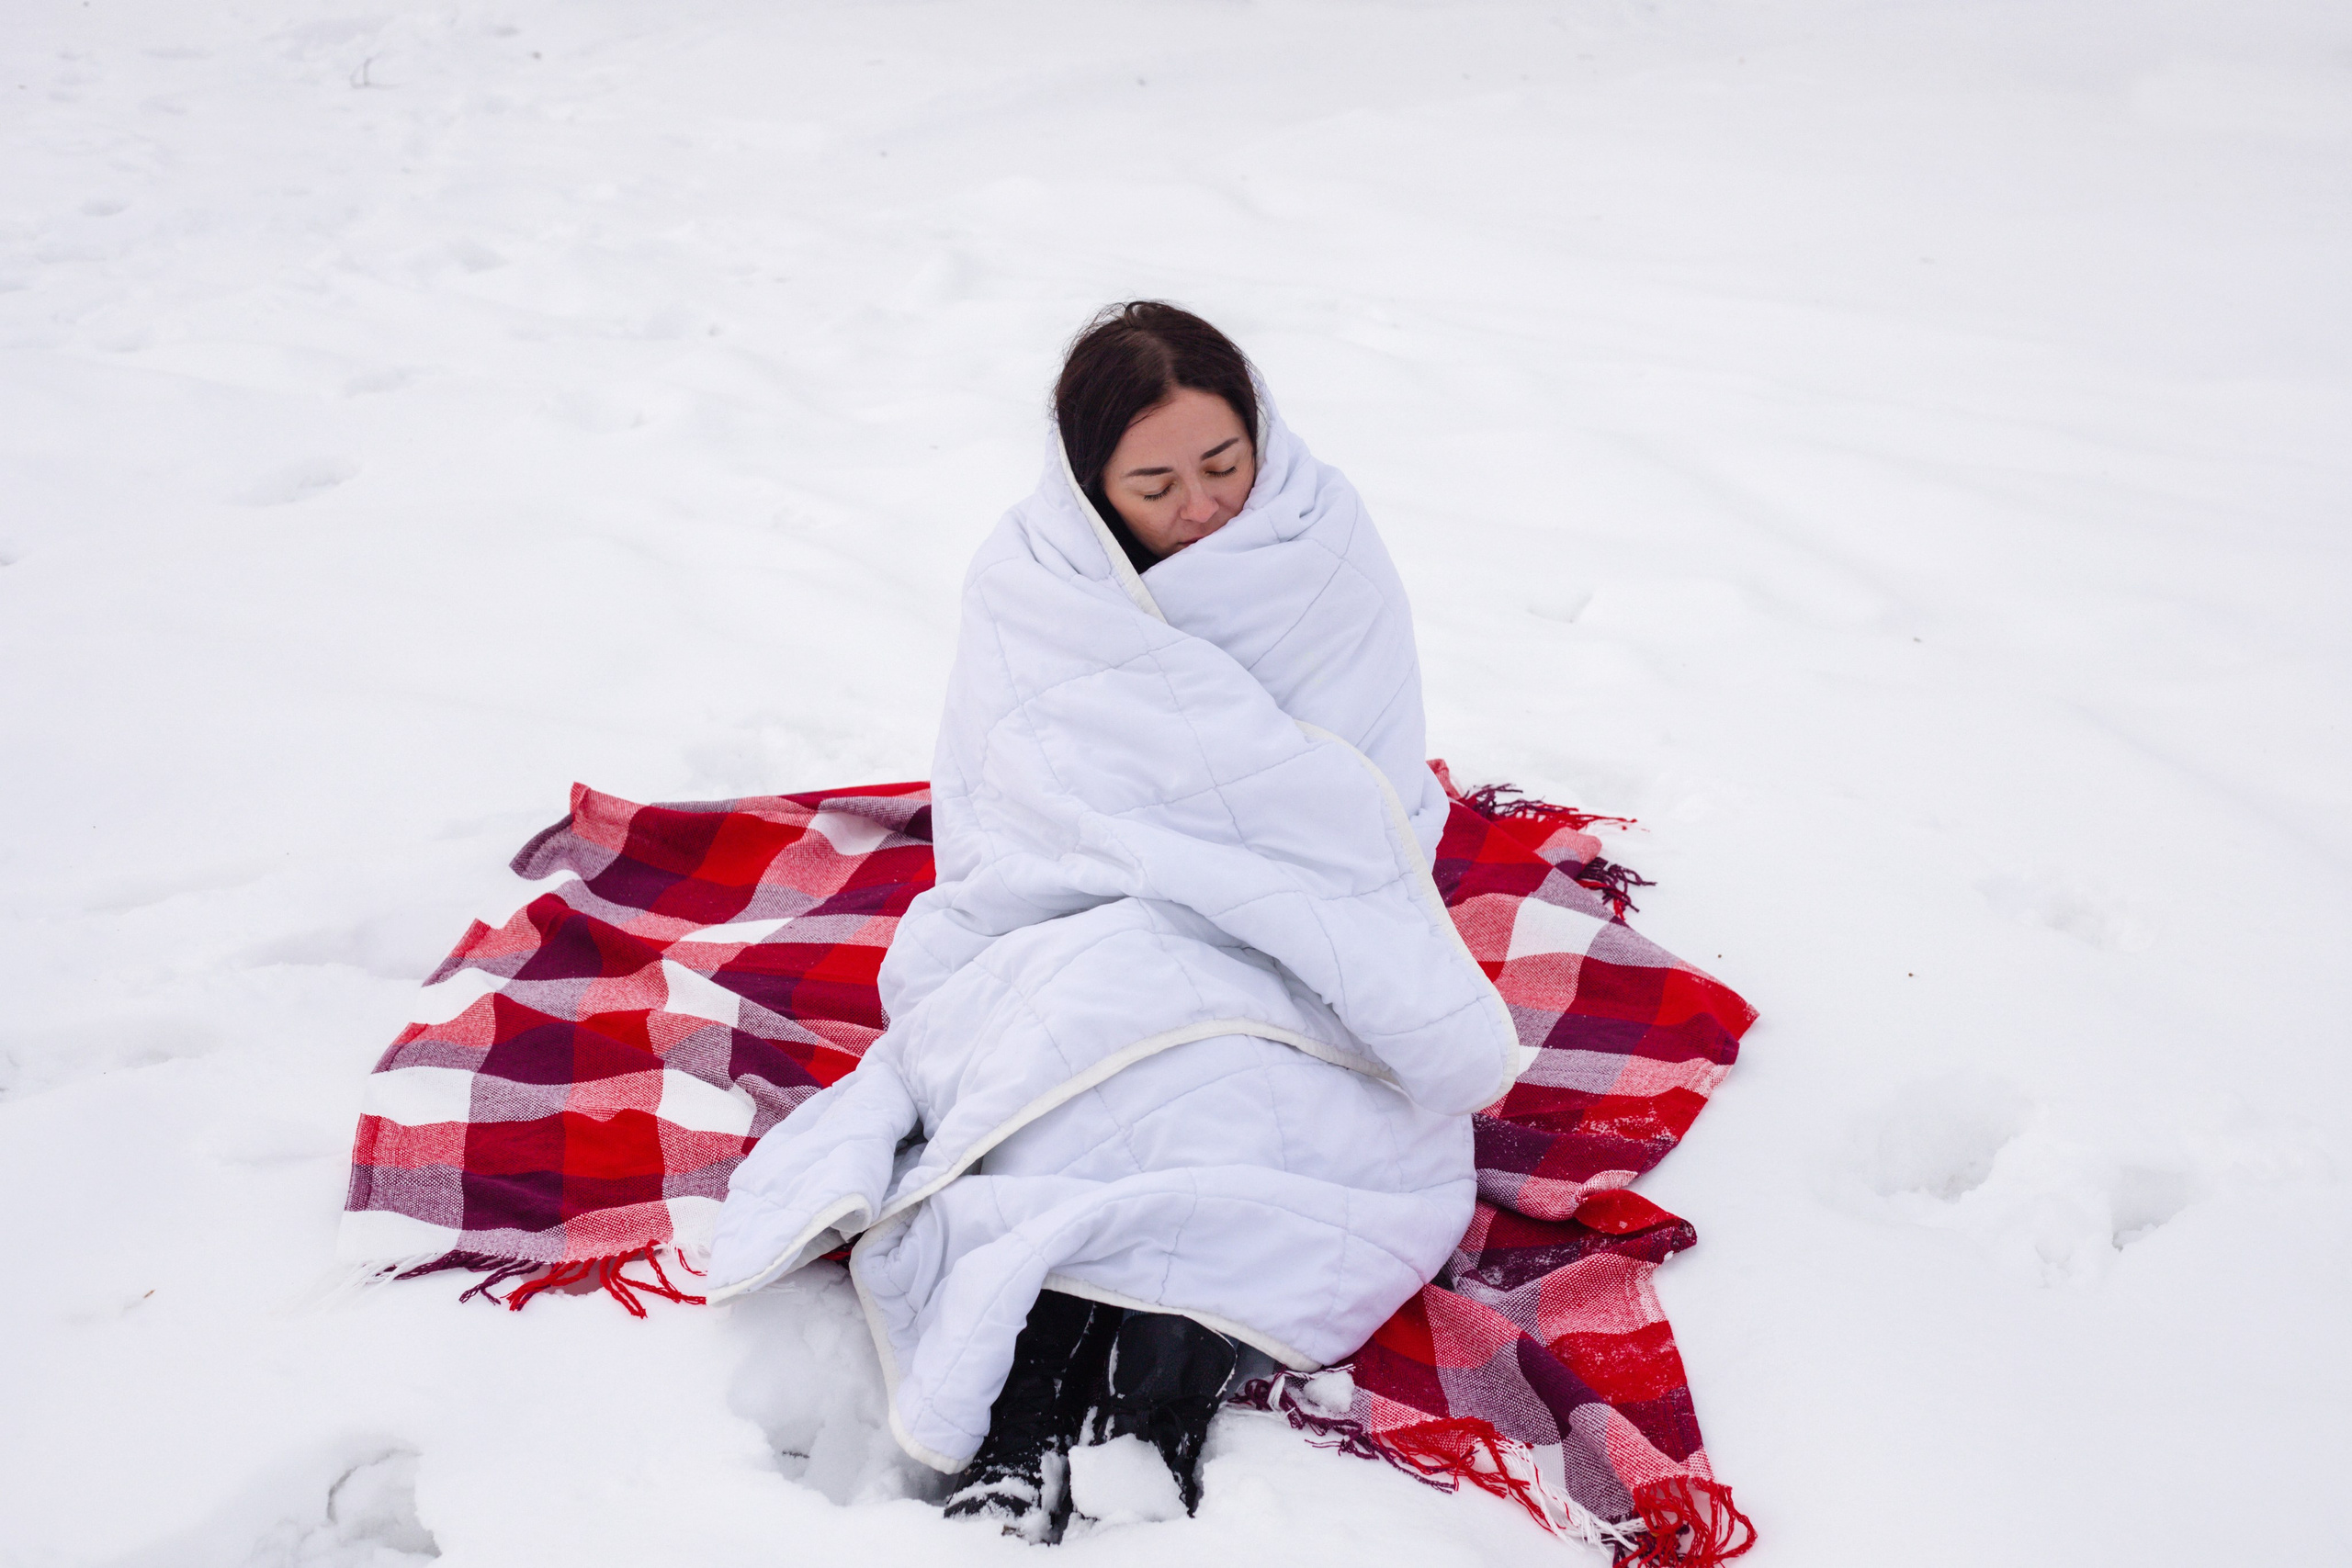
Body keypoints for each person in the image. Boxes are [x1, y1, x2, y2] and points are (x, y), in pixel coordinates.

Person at [704, 303, 1518, 1541]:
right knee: (1079, 1079)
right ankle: (1024, 1428)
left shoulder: (1324, 547)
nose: (1203, 506)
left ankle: (1148, 1416)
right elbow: (1015, 807)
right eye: (1156, 484)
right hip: (1076, 915)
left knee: (1246, 1107)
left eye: (1224, 465)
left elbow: (1364, 799)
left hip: (1300, 934)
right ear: (1091, 489)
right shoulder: (1034, 585)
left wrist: (1244, 878)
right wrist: (1149, 877)